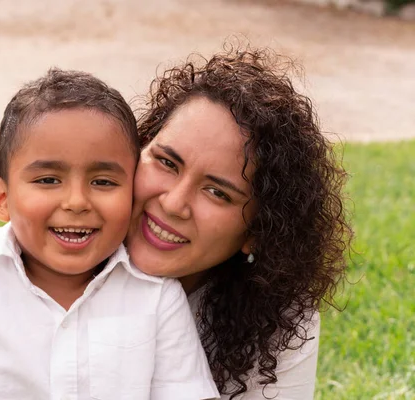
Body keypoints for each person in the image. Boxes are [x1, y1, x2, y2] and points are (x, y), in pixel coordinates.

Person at [0, 69, 219, 400]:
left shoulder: (156, 298)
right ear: (1, 198)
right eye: (48, 180)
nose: (77, 201)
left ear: (131, 191)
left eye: (103, 182)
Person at [125, 46, 352, 399]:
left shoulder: (277, 317)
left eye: (218, 192)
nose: (173, 204)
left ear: (258, 232)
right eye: (167, 163)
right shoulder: (41, 260)